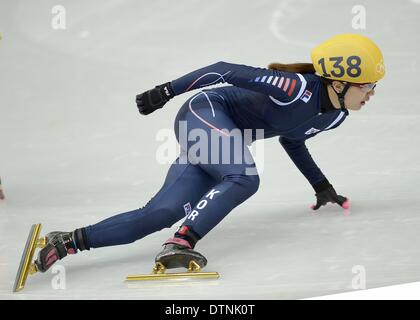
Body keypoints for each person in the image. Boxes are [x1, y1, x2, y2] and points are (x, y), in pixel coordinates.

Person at [34, 33, 385, 273]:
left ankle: (69, 241)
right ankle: (181, 241)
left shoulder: (335, 115)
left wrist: (320, 185)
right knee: (244, 177)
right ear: (338, 82)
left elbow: (291, 140)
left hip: (221, 138)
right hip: (204, 113)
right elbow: (224, 70)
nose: (370, 94)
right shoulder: (292, 87)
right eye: (367, 86)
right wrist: (165, 91)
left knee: (160, 212)